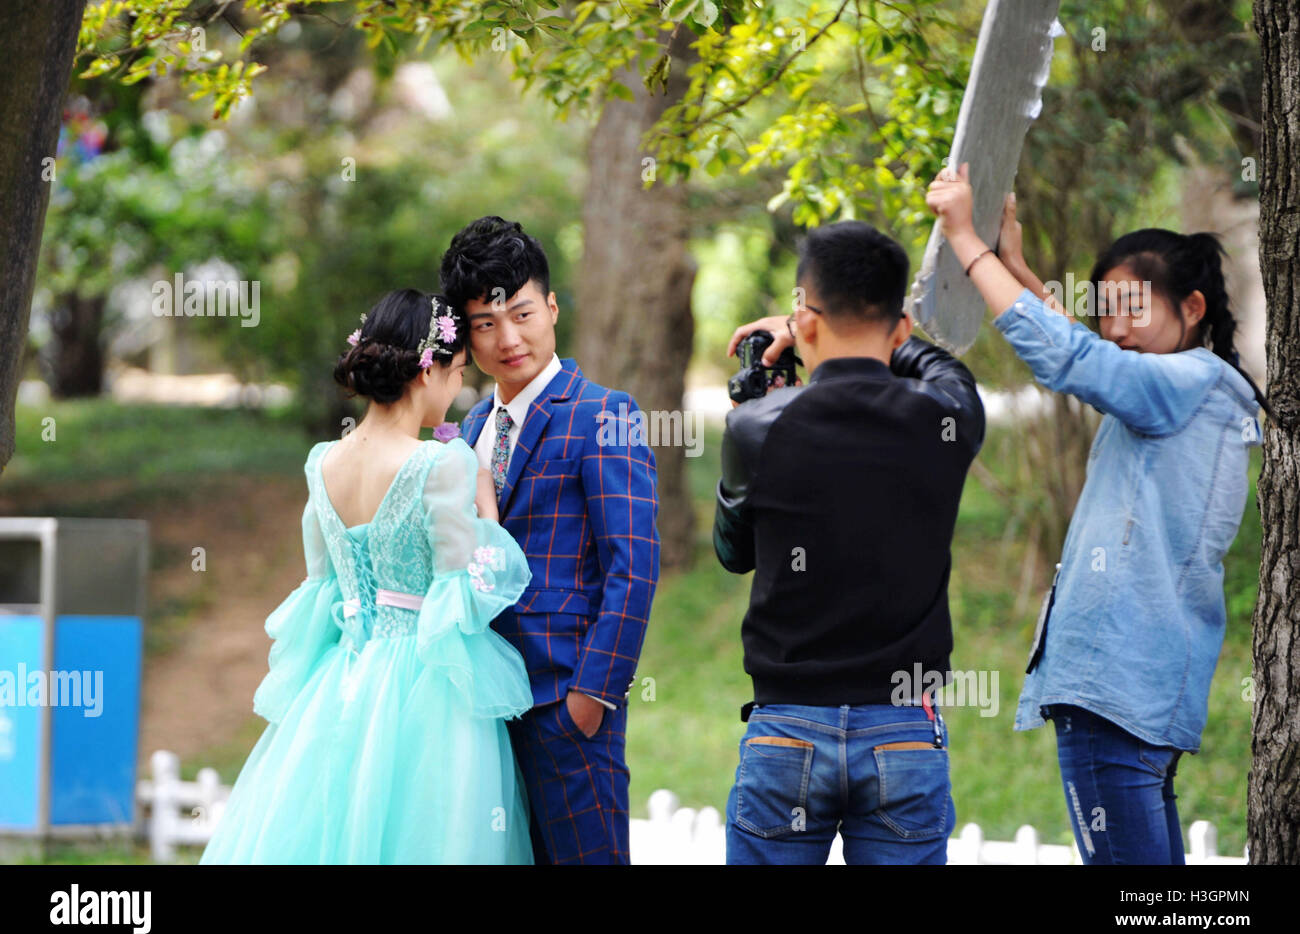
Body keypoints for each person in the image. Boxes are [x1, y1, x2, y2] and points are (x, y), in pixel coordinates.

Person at [925, 163, 1265, 864]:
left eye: (1133, 308)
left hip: (1113, 693)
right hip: (1136, 692)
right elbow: (1083, 350)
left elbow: (1070, 358)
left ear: (1193, 308)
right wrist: (1014, 262)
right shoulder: (1188, 390)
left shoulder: (1188, 382)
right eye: (1104, 309)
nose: (1115, 329)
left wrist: (970, 245)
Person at [200, 289, 535, 864]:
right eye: (456, 374)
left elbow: (321, 588)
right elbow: (470, 583)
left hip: (340, 682)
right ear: (427, 371)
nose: (457, 392)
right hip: (425, 682)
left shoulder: (322, 461)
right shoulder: (439, 462)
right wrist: (487, 507)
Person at [715, 220, 985, 864]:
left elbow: (734, 554)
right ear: (897, 330)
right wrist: (888, 333)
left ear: (805, 321)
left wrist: (795, 333)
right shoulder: (945, 417)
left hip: (787, 733)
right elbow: (946, 370)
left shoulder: (754, 429)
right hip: (903, 730)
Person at [439, 216, 661, 865]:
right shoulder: (470, 427)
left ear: (553, 306)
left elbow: (634, 567)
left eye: (523, 313)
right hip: (482, 724)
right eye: (485, 323)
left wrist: (591, 698)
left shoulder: (602, 413)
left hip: (564, 713)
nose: (509, 339)